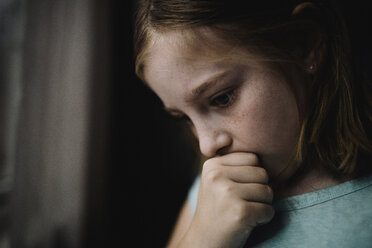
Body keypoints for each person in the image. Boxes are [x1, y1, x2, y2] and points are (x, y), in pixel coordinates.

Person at [133, 0, 372, 247]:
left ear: (302, 44)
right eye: (184, 118)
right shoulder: (213, 194)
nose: (207, 146)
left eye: (222, 98)